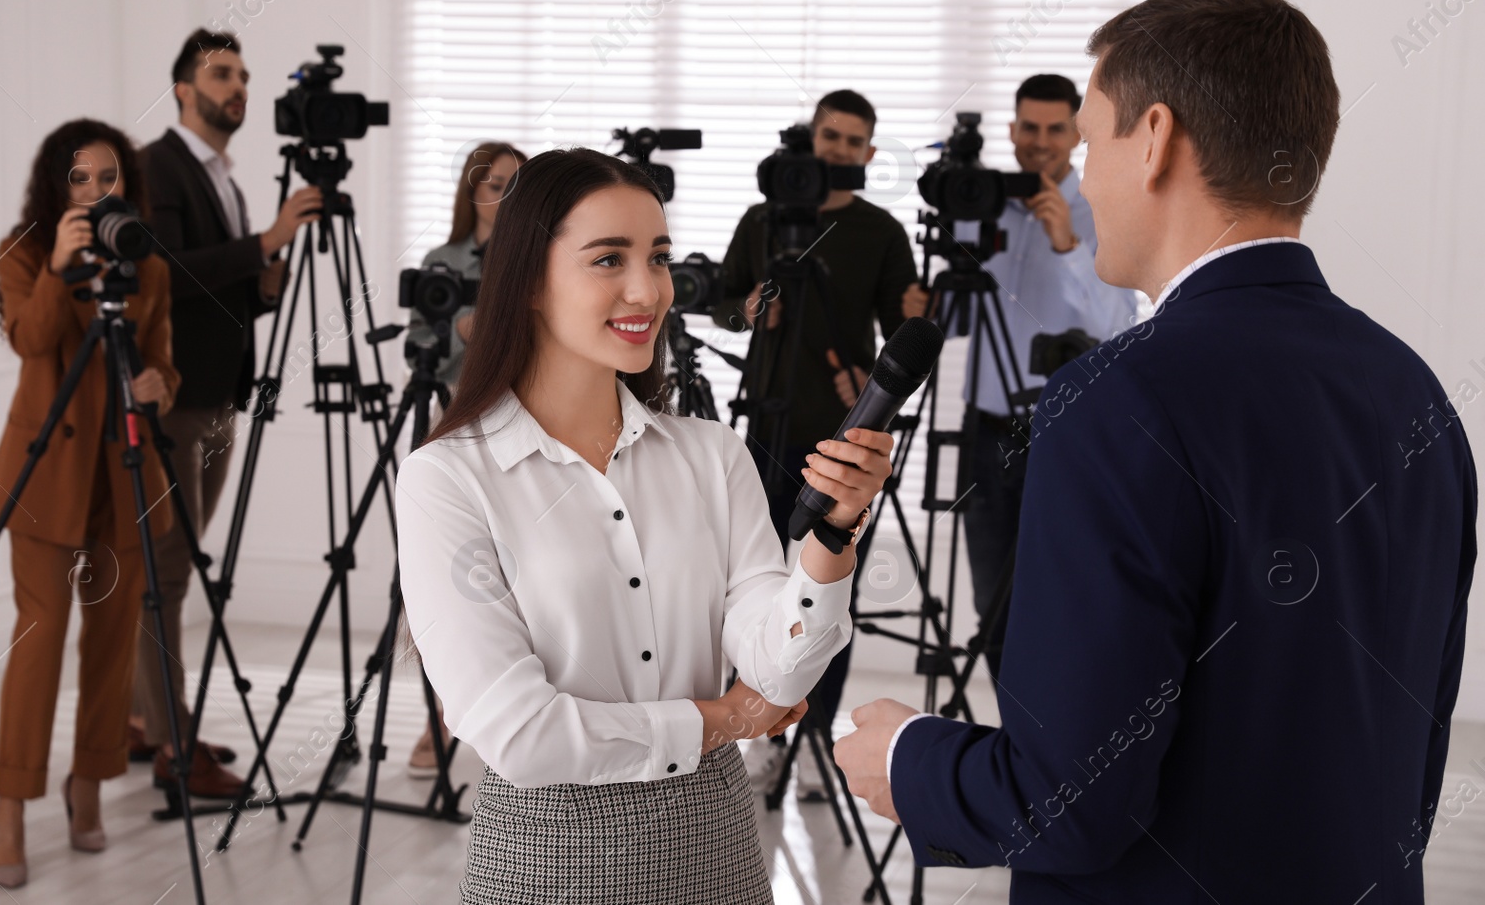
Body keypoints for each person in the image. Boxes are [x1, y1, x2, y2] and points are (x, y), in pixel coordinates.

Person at [837, 0, 1477, 902]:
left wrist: (907, 756)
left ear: (1157, 139)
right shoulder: (1414, 388)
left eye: (1092, 139)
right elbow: (1414, 749)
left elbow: (1071, 797)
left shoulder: (1113, 398)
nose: (1082, 174)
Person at [394, 147, 893, 904]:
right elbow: (519, 733)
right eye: (608, 258)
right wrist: (722, 719)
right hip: (548, 864)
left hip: (719, 855)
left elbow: (781, 671)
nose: (647, 288)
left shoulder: (712, 454)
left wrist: (832, 535)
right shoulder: (448, 477)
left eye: (658, 257)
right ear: (528, 278)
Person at [0, 120, 180, 888]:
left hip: (124, 474)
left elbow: (161, 359)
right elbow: (29, 341)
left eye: (109, 178)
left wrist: (164, 384)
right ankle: (10, 801)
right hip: (46, 479)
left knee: (111, 643)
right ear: (55, 188)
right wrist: (62, 268)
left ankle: (88, 780)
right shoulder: (22, 252)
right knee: (39, 640)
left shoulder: (145, 260)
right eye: (80, 180)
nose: (97, 193)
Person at [127, 29, 321, 798]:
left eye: (243, 74)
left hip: (218, 396)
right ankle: (173, 743)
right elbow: (165, 277)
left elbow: (216, 290)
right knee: (167, 572)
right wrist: (264, 240)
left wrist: (263, 283)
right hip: (175, 399)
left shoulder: (225, 176)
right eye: (220, 73)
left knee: (174, 567)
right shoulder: (157, 167)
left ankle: (148, 720)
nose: (237, 86)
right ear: (183, 88)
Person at [710, 89, 918, 796]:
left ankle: (817, 745)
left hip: (839, 434)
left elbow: (906, 328)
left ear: (868, 153)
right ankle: (760, 726)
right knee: (754, 582)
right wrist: (747, 309)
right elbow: (722, 301)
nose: (839, 150)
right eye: (830, 136)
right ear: (811, 137)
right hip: (761, 426)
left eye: (855, 141)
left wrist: (896, 344)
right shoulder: (763, 218)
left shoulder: (882, 231)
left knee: (827, 587)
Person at [902, 74, 1139, 681]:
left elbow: (1114, 322)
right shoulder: (983, 204)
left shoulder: (1099, 207)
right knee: (992, 596)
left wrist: (1065, 243)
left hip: (1064, 424)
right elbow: (957, 321)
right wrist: (924, 309)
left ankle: (1057, 726)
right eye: (1028, 128)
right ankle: (1014, 730)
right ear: (1012, 131)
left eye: (1055, 129)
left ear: (1076, 134)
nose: (1039, 142)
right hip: (985, 425)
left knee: (1061, 588)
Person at [404, 140, 525, 778]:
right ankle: (438, 720)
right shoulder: (442, 262)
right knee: (443, 579)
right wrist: (460, 331)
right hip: (456, 425)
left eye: (516, 184)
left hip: (526, 428)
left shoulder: (536, 259)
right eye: (495, 182)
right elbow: (417, 348)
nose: (503, 195)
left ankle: (511, 717)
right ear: (472, 189)